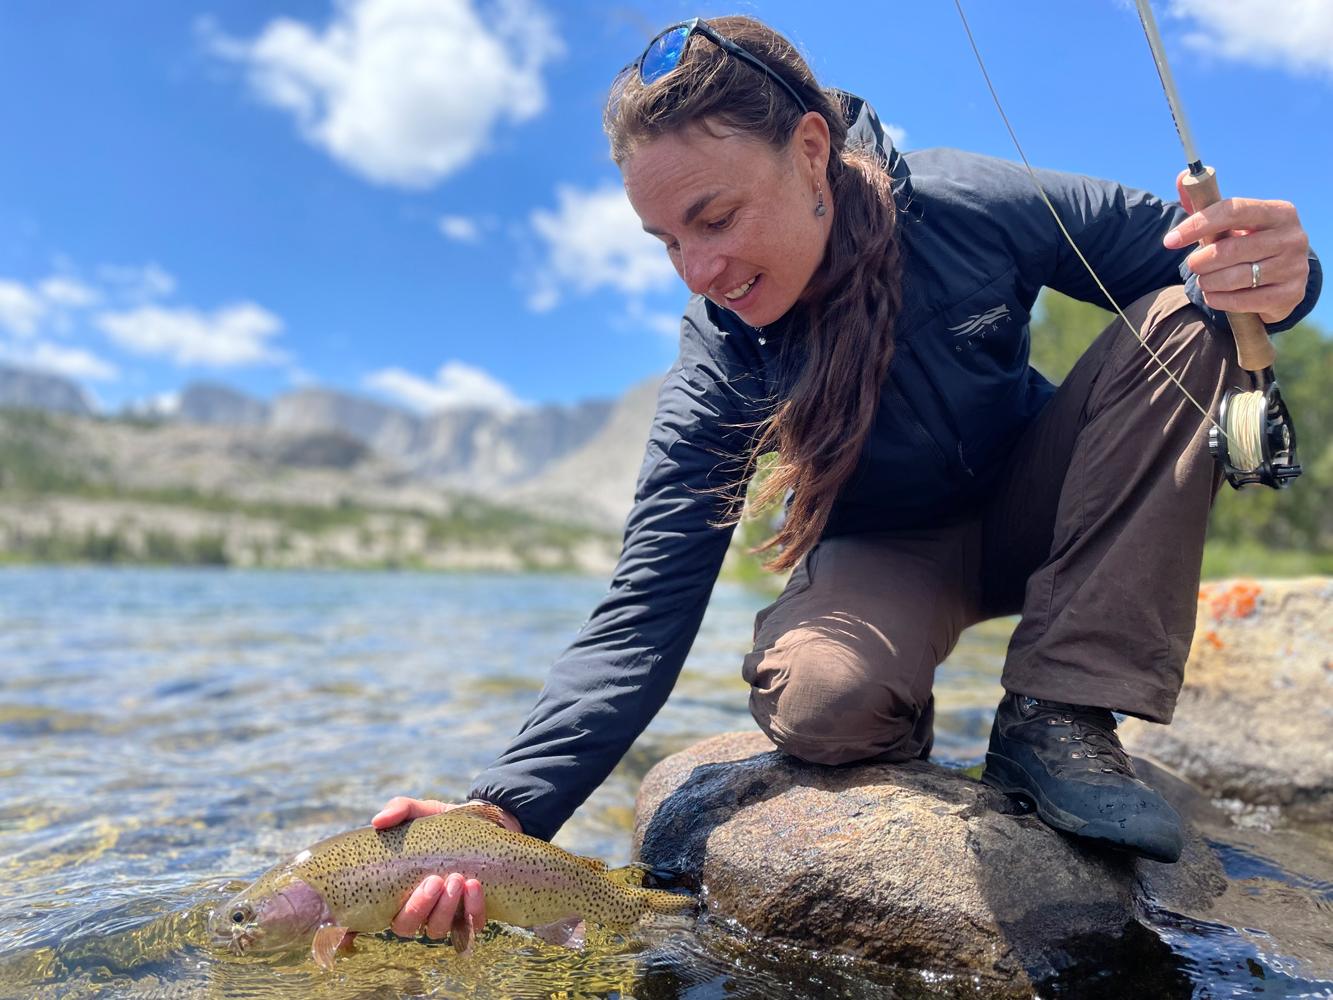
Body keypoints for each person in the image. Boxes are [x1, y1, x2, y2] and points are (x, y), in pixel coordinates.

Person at [371, 16, 1321, 939]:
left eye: (715, 217)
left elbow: (1204, 259)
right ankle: (910, 734)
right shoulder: (718, 361)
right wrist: (501, 810)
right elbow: (645, 603)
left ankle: (1059, 717)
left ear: (812, 150)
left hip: (1046, 503)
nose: (697, 270)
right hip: (887, 552)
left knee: (1187, 316)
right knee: (824, 704)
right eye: (665, 242)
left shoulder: (967, 206)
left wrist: (1282, 275)